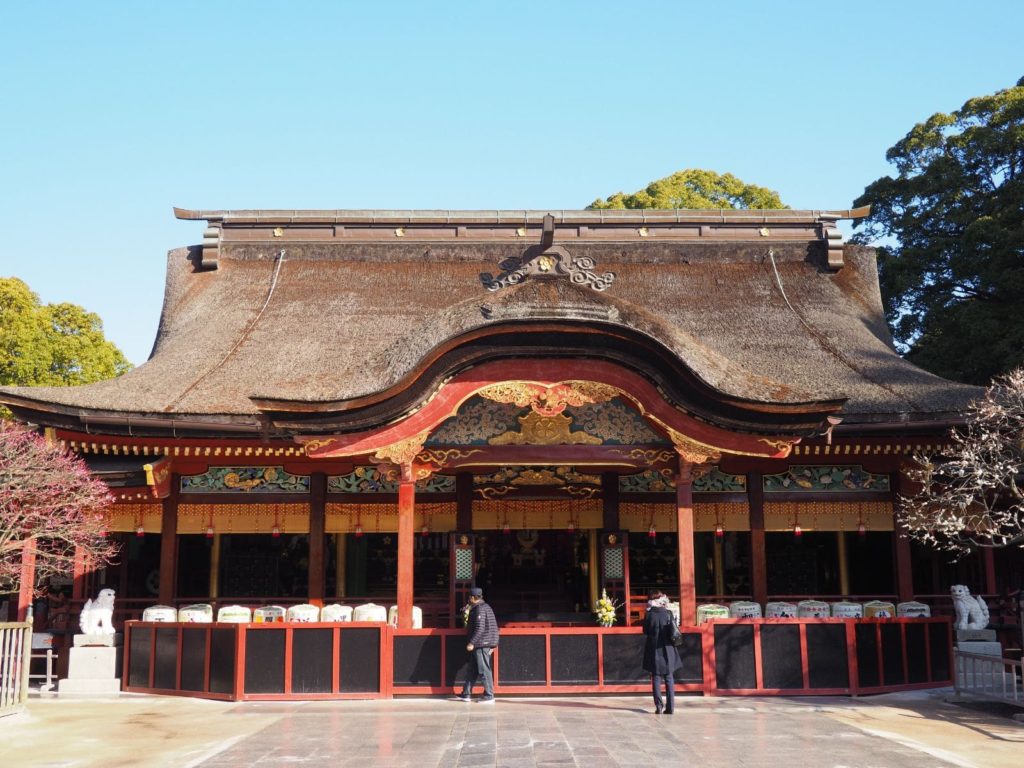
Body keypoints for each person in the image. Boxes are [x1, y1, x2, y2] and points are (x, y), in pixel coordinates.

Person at [456, 587, 499, 703]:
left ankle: (489, 694)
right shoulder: (483, 607)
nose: (468, 599)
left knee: (483, 669)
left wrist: (472, 642)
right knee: (473, 669)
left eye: (470, 597)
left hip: (482, 643)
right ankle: (466, 693)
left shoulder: (479, 609)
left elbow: (480, 628)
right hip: (484, 642)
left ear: (473, 598)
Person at [642, 591, 682, 714]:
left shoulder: (649, 614)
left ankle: (658, 706)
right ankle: (670, 708)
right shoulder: (668, 613)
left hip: (654, 648)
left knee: (656, 677)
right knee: (669, 677)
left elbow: (645, 631)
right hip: (668, 648)